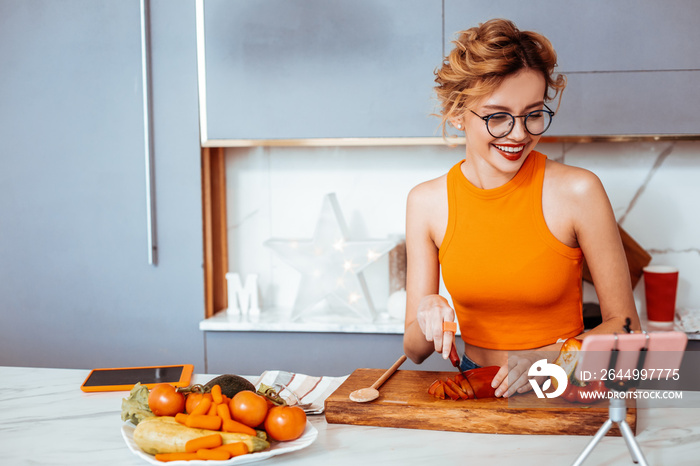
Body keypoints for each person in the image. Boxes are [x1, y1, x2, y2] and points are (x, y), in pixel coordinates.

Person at [403, 18, 640, 398]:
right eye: (497, 116)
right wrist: (428, 310)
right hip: (474, 384)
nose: (519, 134)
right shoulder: (426, 202)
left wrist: (553, 360)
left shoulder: (579, 191)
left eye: (532, 114)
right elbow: (414, 350)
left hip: (564, 384)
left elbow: (627, 328)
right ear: (457, 114)